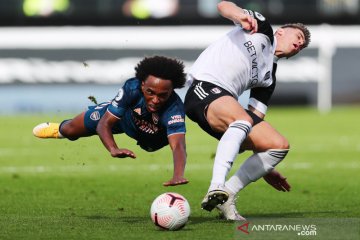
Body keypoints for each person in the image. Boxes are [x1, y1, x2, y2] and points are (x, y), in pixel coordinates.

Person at [184, 1, 311, 220]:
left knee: (278, 145)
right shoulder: (261, 28)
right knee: (242, 120)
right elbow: (223, 5)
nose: (299, 44)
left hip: (225, 108)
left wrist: (266, 167)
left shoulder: (268, 77)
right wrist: (239, 16)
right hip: (202, 88)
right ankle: (216, 186)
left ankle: (228, 195)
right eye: (298, 37)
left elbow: (255, 118)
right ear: (282, 31)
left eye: (302, 46)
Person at [33, 55, 189, 187]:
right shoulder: (131, 88)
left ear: (172, 91)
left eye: (162, 95)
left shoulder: (175, 108)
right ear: (142, 85)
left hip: (152, 137)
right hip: (123, 119)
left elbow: (178, 145)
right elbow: (104, 124)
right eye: (150, 92)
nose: (155, 100)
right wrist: (113, 148)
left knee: (149, 147)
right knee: (70, 129)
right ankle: (59, 130)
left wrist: (178, 175)